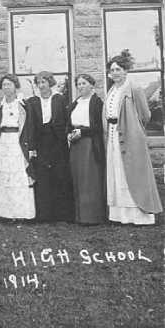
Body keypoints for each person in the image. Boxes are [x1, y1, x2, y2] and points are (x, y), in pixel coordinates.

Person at [104, 53, 162, 225]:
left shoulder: (133, 89)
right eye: (112, 70)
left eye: (118, 69)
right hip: (113, 135)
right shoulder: (112, 90)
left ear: (125, 71)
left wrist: (135, 130)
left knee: (133, 172)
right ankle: (120, 215)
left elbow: (145, 115)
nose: (115, 73)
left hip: (131, 136)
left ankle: (139, 215)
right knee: (118, 171)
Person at [26, 71, 73, 223]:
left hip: (57, 141)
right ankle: (44, 214)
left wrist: (66, 138)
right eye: (39, 83)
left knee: (59, 175)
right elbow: (30, 125)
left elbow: (67, 121)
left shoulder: (59, 99)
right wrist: (31, 147)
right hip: (41, 142)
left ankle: (62, 214)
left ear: (50, 83)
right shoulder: (32, 101)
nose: (41, 85)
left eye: (44, 82)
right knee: (42, 176)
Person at [0, 74, 36, 220]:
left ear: (15, 86)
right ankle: (6, 213)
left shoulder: (23, 104)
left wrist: (30, 148)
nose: (6, 87)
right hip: (4, 143)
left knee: (19, 176)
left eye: (9, 84)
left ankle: (21, 212)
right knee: (5, 176)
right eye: (4, 85)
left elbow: (29, 127)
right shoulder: (0, 105)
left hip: (18, 143)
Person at [66, 74, 106, 224]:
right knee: (77, 177)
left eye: (84, 83)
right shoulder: (75, 103)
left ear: (91, 85)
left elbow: (98, 126)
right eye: (78, 84)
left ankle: (92, 216)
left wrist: (83, 132)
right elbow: (68, 123)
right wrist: (69, 134)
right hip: (76, 144)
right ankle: (80, 216)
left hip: (89, 143)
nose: (80, 86)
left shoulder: (96, 102)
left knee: (90, 179)